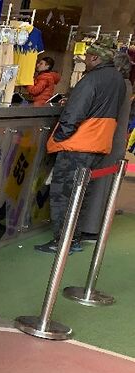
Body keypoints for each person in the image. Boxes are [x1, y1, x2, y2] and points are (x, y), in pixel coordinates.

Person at [35, 39, 128, 254]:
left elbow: (74, 113)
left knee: (63, 194)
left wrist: (60, 135)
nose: (85, 60)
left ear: (95, 57)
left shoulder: (91, 79)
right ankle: (74, 239)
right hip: (99, 143)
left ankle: (61, 241)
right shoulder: (117, 79)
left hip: (78, 144)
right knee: (80, 194)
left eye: (87, 56)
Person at [79, 51, 133, 241]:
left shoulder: (117, 85)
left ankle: (90, 228)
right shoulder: (126, 85)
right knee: (104, 186)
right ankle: (94, 226)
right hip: (114, 141)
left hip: (106, 140)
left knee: (98, 187)